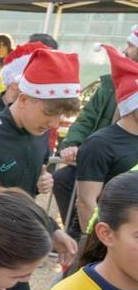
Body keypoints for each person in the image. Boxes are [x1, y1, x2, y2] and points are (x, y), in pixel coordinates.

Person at [0, 48, 80, 290]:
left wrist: (52, 229)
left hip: (17, 258)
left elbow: (24, 195)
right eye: (49, 113)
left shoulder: (40, 134)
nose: (54, 123)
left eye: (61, 117)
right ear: (23, 98)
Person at [53, 28, 137, 233]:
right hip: (103, 152)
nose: (126, 50)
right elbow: (87, 117)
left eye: (131, 45)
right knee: (65, 181)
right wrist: (72, 142)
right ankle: (79, 236)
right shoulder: (109, 85)